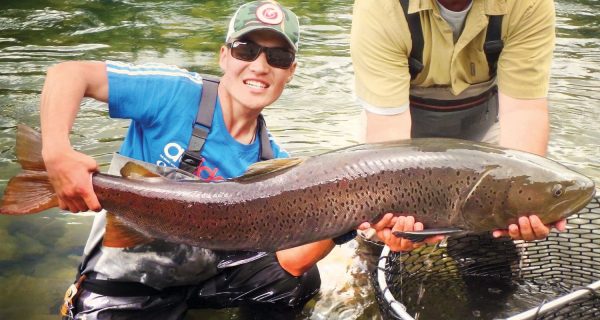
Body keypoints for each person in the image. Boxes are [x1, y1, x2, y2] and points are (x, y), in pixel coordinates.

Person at [40, 1, 348, 319]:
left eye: (278, 57)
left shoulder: (273, 165)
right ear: (224, 56)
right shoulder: (174, 93)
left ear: (291, 71)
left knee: (299, 283)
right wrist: (56, 153)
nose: (260, 66)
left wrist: (349, 222)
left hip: (201, 283)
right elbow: (68, 74)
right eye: (246, 50)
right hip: (125, 285)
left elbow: (291, 263)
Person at [350, 0, 566, 252]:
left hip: (484, 131)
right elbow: (388, 134)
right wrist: (392, 216)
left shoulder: (527, 3)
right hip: (398, 138)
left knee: (493, 241)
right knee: (383, 233)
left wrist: (529, 203)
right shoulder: (381, 7)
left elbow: (523, 110)